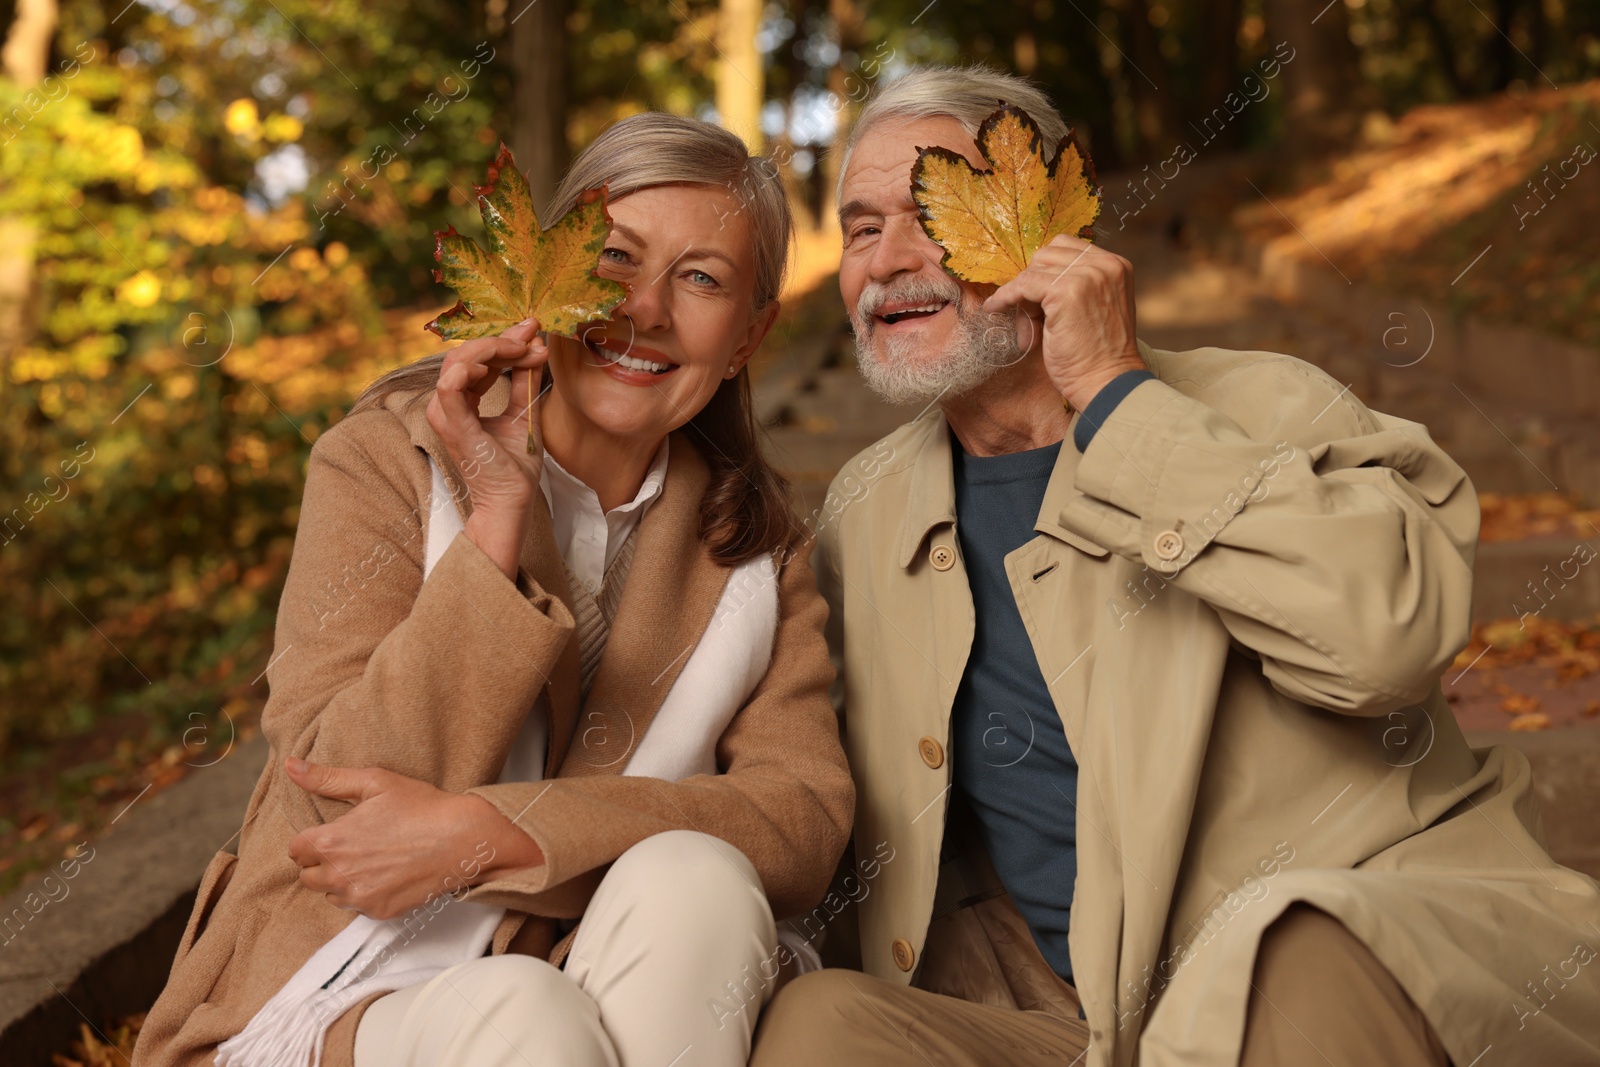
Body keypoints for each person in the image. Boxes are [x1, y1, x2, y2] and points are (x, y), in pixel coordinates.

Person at [750, 65, 1600, 1067]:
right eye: (857, 228)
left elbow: (1388, 640)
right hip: (1066, 1013)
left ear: (1053, 232)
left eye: (930, 208)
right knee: (822, 1028)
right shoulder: (861, 509)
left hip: (1360, 944)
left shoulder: (1276, 406)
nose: (887, 257)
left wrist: (1116, 398)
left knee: (1286, 944)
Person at [133, 113, 854, 1067]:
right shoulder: (383, 462)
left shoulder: (760, 548)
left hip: (592, 971)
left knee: (702, 878)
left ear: (751, 334)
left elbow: (798, 820)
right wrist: (493, 525)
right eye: (615, 261)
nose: (643, 309)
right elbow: (334, 784)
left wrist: (493, 834)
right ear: (545, 274)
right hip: (335, 984)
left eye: (702, 278)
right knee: (524, 1012)